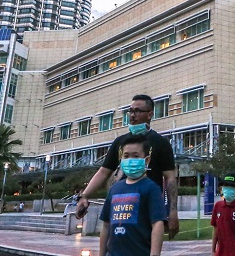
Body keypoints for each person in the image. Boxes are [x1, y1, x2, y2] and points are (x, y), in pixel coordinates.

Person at [76, 94, 178, 238]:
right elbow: (103, 172)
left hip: (147, 208)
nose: (132, 115)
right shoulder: (120, 142)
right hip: (120, 206)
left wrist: (173, 211)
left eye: (137, 111)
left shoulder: (161, 143)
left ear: (150, 114)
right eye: (130, 111)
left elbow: (170, 178)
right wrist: (84, 195)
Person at [99, 134, 166, 256]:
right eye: (126, 156)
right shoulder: (114, 189)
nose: (130, 160)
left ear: (146, 160)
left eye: (135, 156)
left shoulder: (151, 188)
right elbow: (106, 225)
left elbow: (157, 224)